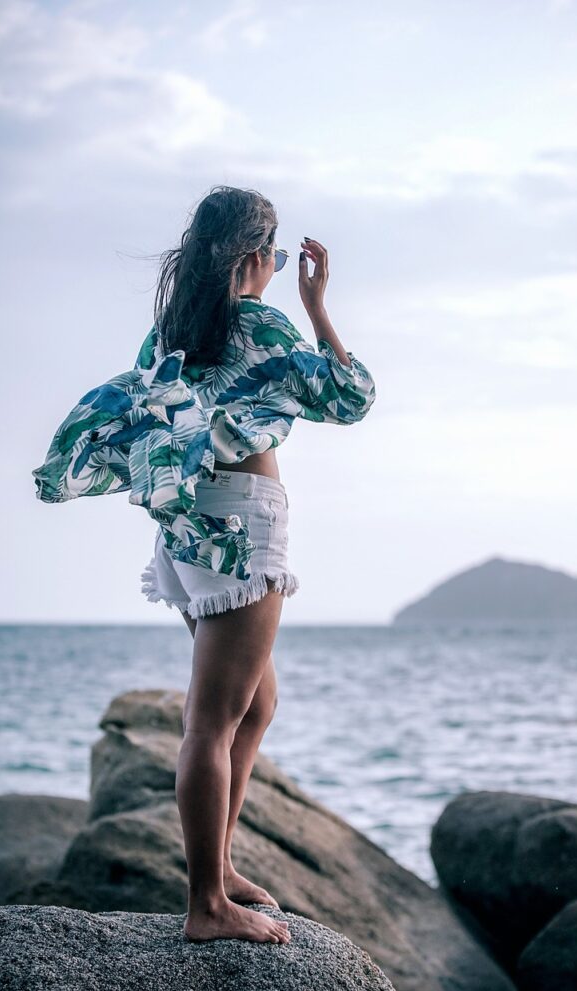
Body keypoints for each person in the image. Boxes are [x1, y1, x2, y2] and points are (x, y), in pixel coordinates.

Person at [135, 186, 376, 943]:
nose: (275, 269)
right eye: (272, 257)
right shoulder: (260, 322)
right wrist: (317, 306)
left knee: (255, 704)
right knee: (210, 723)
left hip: (188, 532)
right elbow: (351, 398)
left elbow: (148, 423)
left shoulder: (169, 331)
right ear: (252, 256)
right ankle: (208, 904)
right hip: (242, 524)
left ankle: (222, 867)